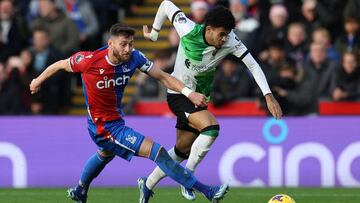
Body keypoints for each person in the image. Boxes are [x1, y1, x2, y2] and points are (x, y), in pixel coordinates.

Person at [29, 23, 229, 203]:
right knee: (157, 152)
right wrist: (37, 81)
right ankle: (207, 191)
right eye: (123, 44)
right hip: (104, 127)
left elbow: (163, 77)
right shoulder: (89, 60)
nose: (128, 49)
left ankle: (81, 190)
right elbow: (60, 64)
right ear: (110, 44)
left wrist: (189, 93)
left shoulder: (134, 57)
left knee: (105, 154)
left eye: (131, 44)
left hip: (116, 121)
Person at [141, 1, 282, 201]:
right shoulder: (187, 28)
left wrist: (268, 95)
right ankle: (187, 179)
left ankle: (146, 185)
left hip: (200, 98)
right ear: (209, 29)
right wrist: (155, 33)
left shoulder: (231, 40)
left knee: (182, 150)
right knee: (211, 128)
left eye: (227, 34)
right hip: (178, 94)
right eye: (221, 34)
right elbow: (165, 5)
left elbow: (253, 65)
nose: (225, 39)